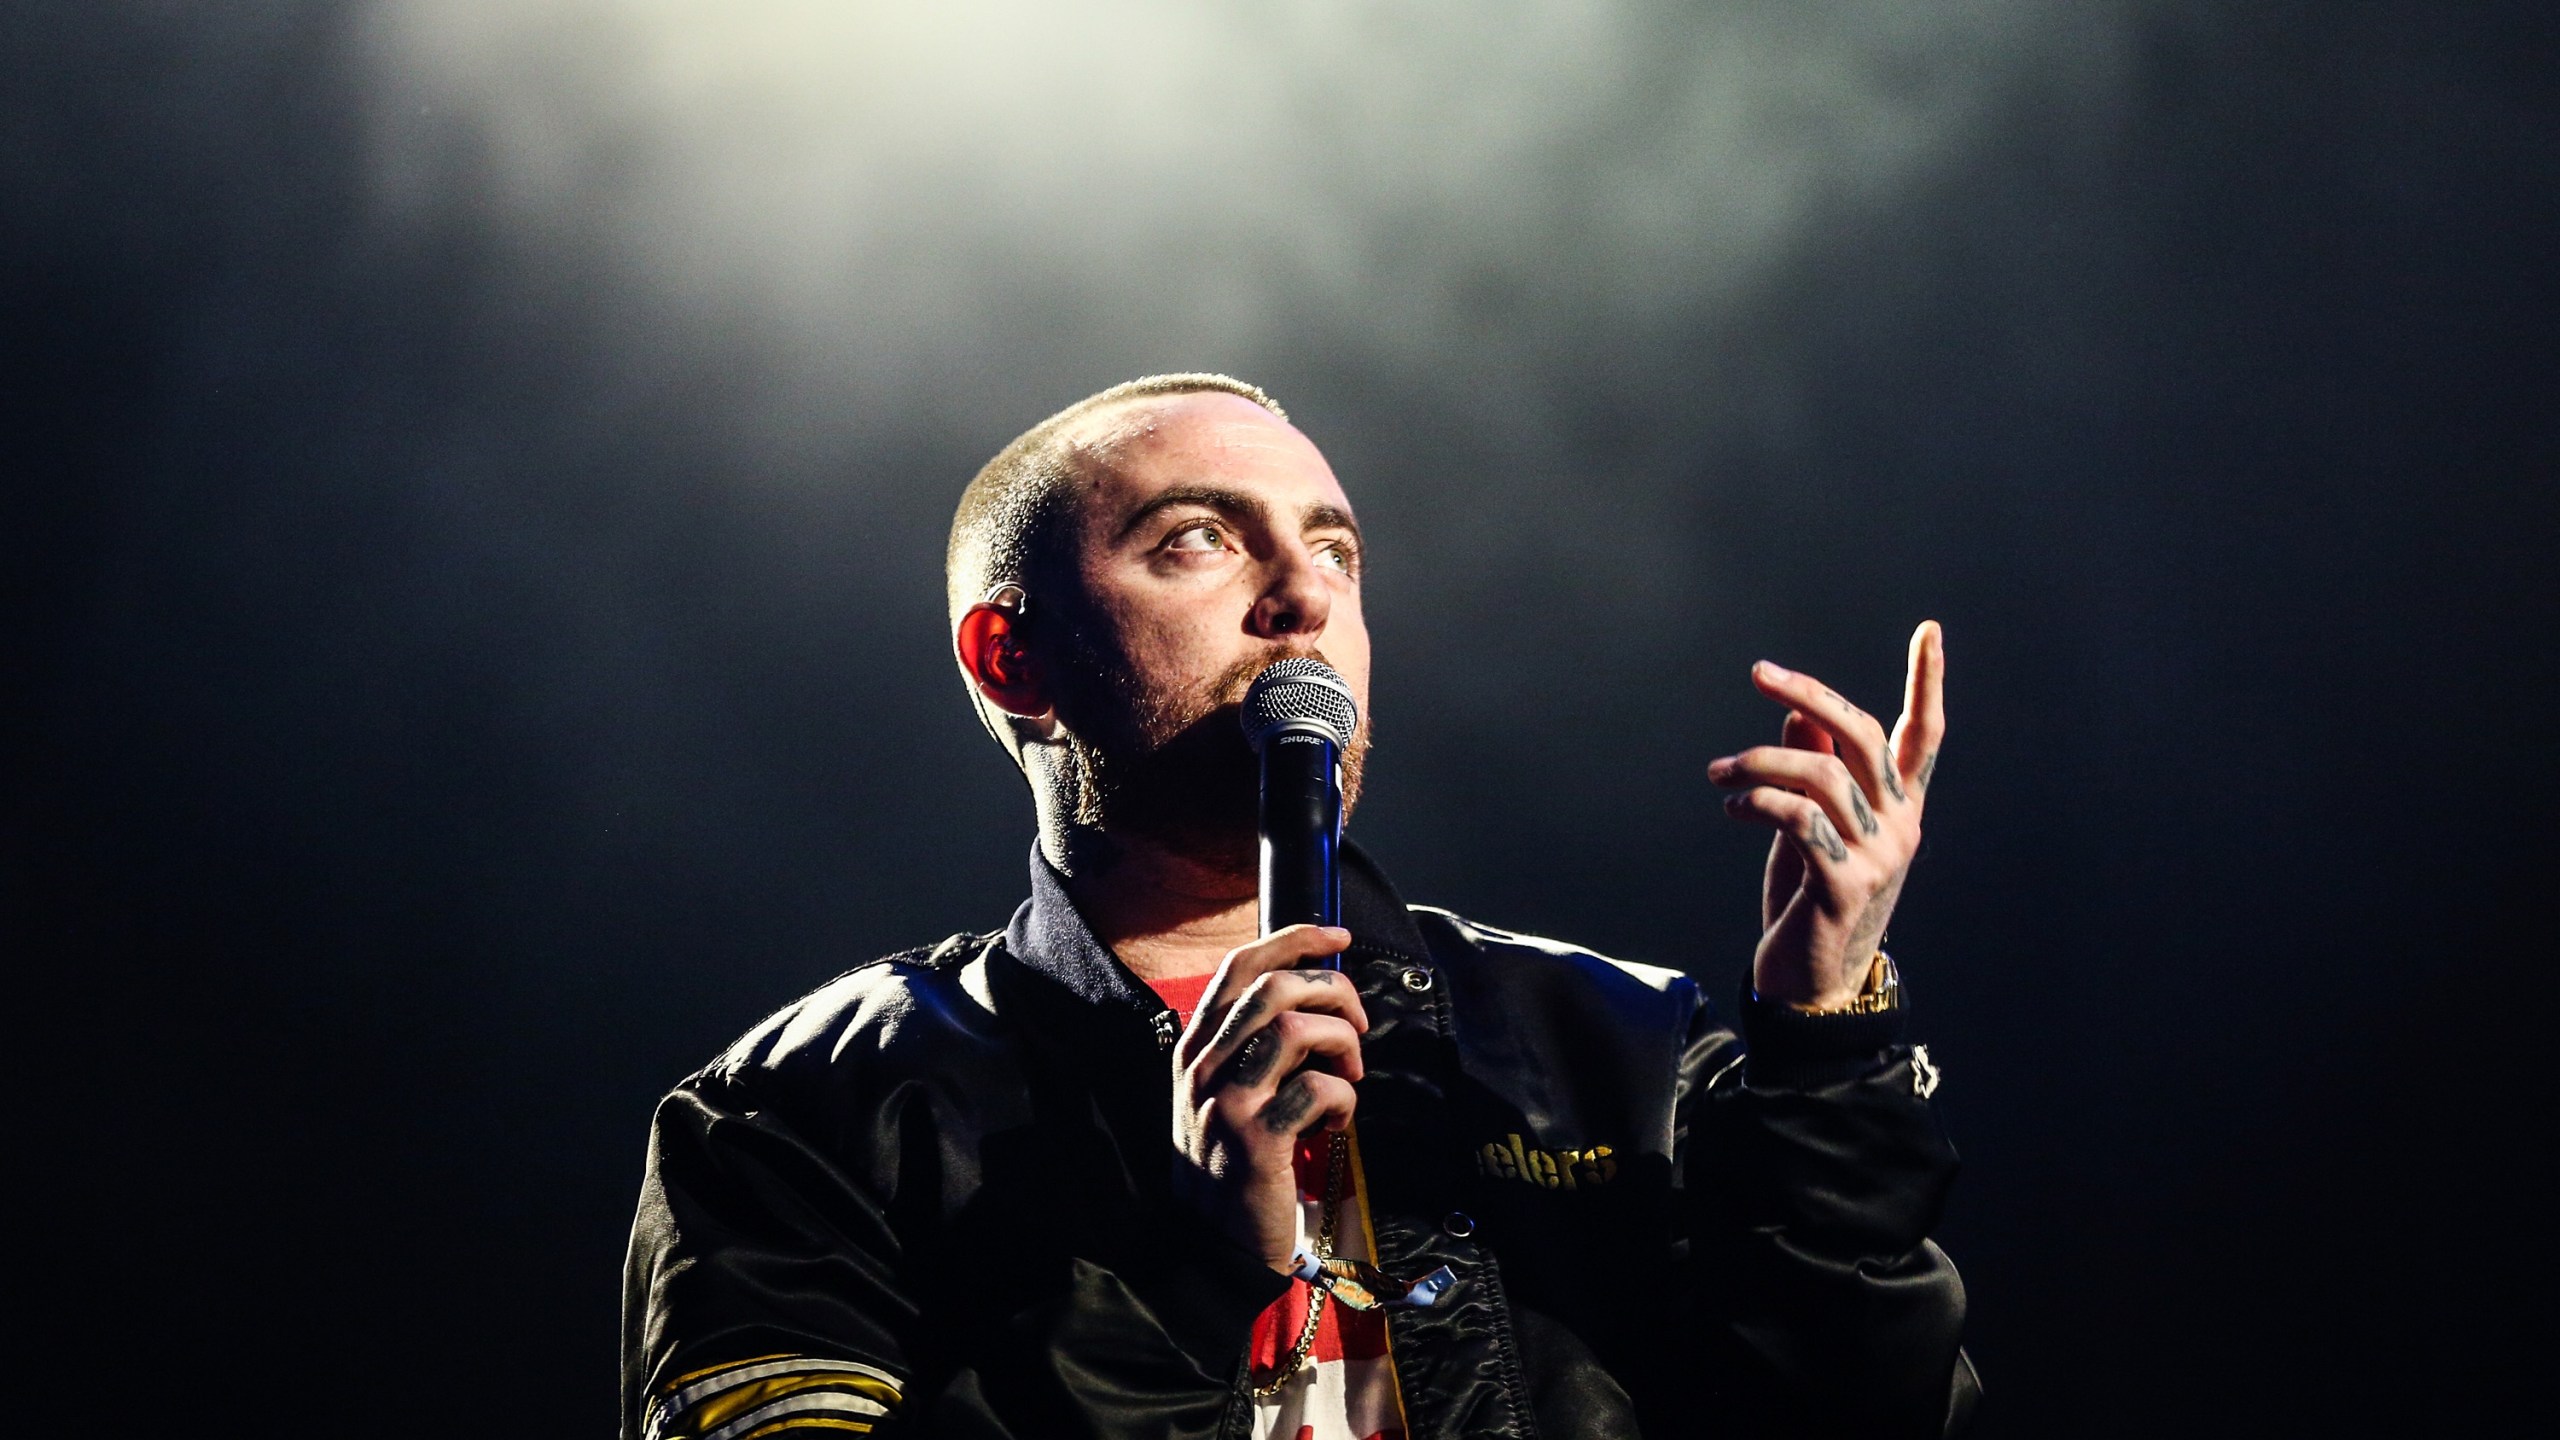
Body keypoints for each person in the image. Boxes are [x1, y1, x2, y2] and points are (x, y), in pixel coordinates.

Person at [621, 374, 1976, 1440]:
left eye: (1337, 549)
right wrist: (1196, 1279)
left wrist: (1821, 1046)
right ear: (1014, 656)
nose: (1305, 594)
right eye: (1199, 539)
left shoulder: (1617, 1050)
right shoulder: (802, 1120)